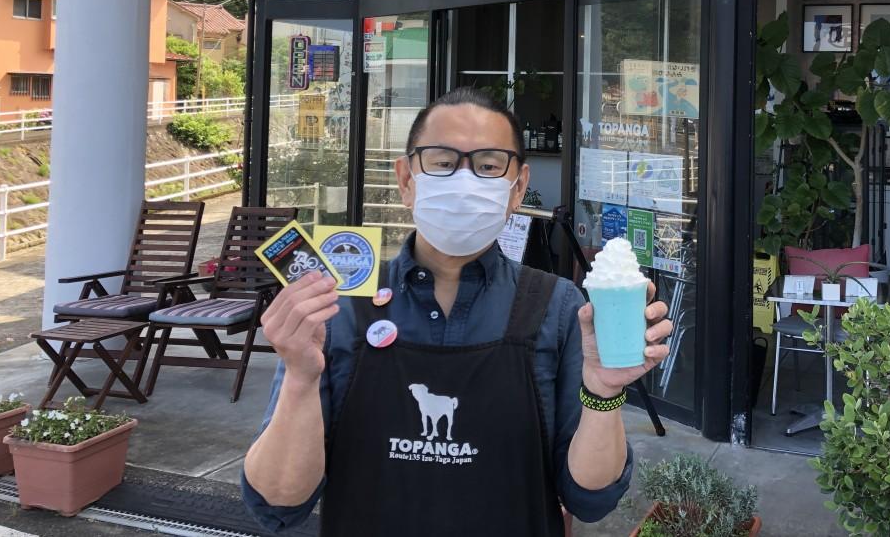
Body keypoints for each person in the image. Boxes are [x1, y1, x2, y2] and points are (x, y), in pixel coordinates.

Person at [242, 87, 673, 535]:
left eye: (488, 166)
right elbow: (278, 505)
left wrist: (603, 393)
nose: (464, 182)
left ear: (518, 188)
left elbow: (590, 498)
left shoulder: (559, 307)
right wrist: (299, 377)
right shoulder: (339, 306)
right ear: (406, 180)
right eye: (443, 162)